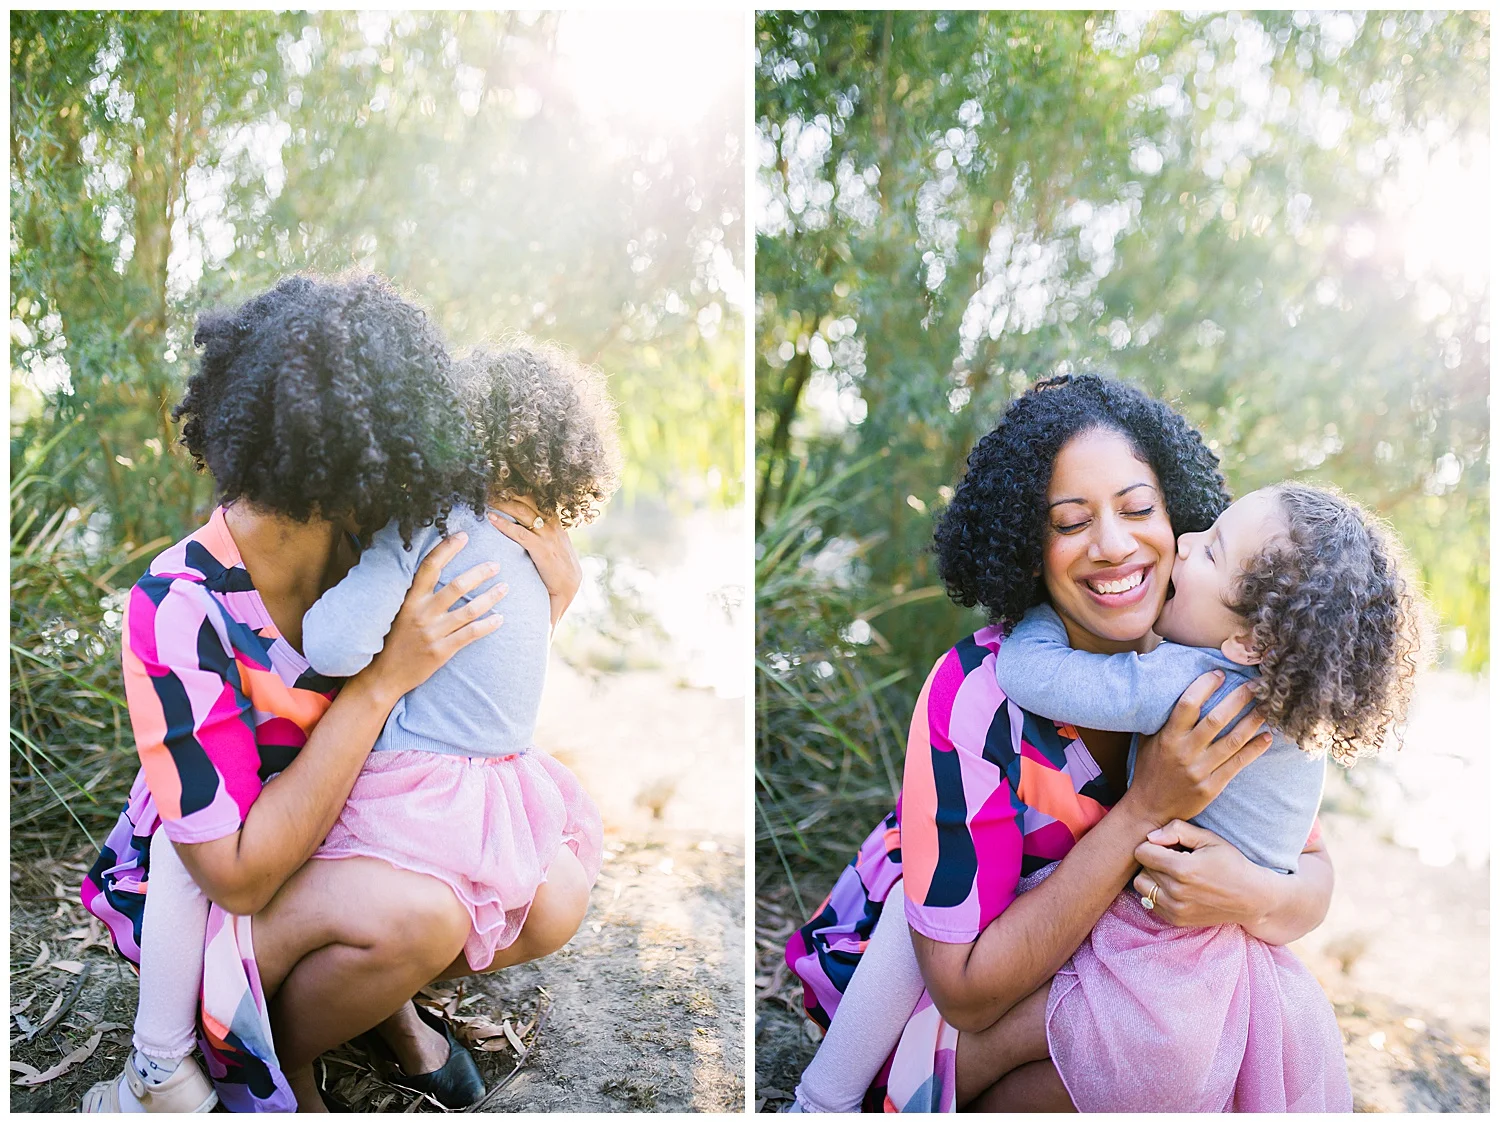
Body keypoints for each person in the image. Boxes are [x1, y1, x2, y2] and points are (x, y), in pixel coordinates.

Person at [81, 275, 587, 1112]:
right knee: (425, 913)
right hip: (217, 873)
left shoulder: (370, 542)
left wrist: (553, 594)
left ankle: (373, 999)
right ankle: (202, 1053)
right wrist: (385, 677)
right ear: (354, 457)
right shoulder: (178, 605)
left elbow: (459, 690)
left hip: (346, 834)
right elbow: (232, 873)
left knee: (552, 888)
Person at [785, 374, 1341, 1112]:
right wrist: (1145, 808)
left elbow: (1311, 874)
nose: (1114, 544)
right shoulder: (981, 695)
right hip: (955, 998)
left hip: (1129, 987)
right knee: (1164, 1052)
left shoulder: (1227, 684)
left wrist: (1252, 892)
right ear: (1028, 541)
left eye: (1140, 509)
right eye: (1070, 521)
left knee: (1195, 1041)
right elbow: (964, 993)